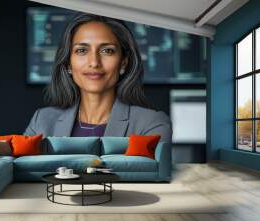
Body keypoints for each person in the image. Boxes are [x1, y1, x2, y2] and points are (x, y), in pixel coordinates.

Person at [24, 13, 172, 143]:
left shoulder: (151, 124)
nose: (94, 62)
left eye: (107, 50)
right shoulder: (42, 121)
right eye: (82, 50)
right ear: (68, 63)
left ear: (123, 63)